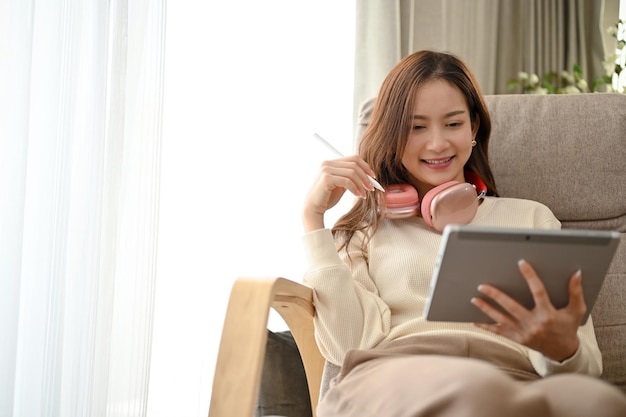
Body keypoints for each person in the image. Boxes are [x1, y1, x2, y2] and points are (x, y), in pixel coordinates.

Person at [301, 50, 626, 417]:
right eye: (416, 127)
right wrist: (314, 221)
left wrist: (561, 348)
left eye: (453, 124)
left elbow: (586, 370)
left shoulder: (532, 217)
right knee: (477, 392)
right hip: (396, 377)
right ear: (392, 136)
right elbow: (347, 347)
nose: (437, 143)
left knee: (600, 403)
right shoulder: (364, 229)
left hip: (516, 378)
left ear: (473, 129)